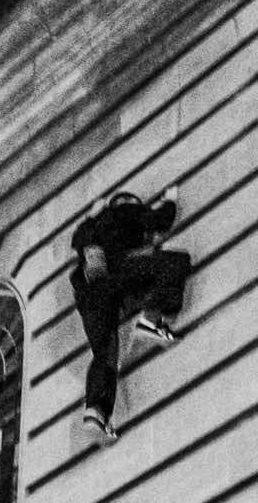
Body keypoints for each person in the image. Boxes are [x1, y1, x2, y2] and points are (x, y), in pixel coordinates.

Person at [70, 186, 191, 438]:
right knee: (175, 262)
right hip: (119, 273)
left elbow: (76, 239)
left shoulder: (90, 228)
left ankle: (96, 411)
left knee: (104, 350)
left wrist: (93, 212)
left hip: (87, 293)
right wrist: (169, 199)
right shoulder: (126, 212)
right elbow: (160, 220)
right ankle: (151, 318)